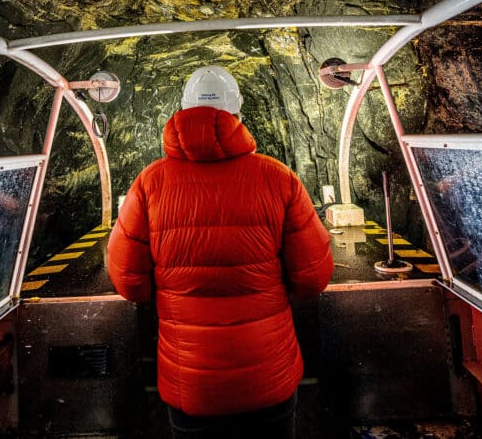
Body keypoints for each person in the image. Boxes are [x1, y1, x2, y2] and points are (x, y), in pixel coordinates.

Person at [108, 66, 334, 438]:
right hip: (267, 375)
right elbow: (313, 278)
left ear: (181, 112)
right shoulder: (278, 178)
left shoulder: (149, 183)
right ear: (237, 115)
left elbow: (130, 285)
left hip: (191, 383)